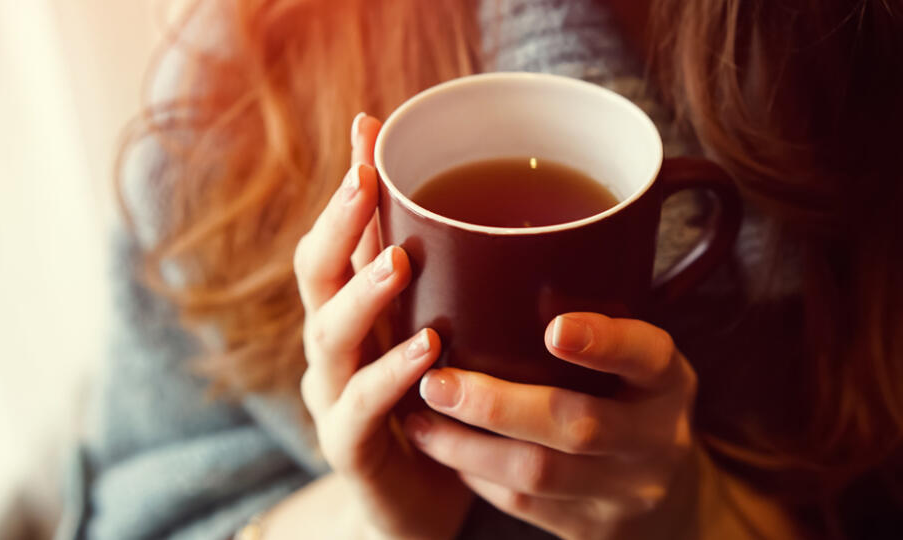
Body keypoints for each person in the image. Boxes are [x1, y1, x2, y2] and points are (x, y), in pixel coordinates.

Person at [58, 0, 903, 538]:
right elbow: (141, 511)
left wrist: (702, 521)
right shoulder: (237, 82)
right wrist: (369, 519)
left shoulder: (861, 61)